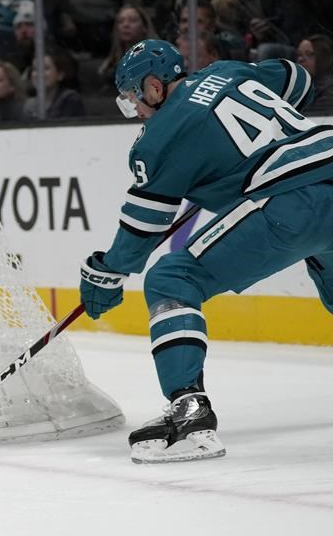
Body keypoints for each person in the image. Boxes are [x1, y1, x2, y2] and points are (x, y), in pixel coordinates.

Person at [79, 39, 333, 464]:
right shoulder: (229, 70)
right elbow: (298, 79)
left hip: (292, 199)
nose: (135, 112)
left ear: (154, 87)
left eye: (132, 100)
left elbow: (144, 227)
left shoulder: (160, 138)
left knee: (172, 279)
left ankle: (189, 410)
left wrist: (106, 272)